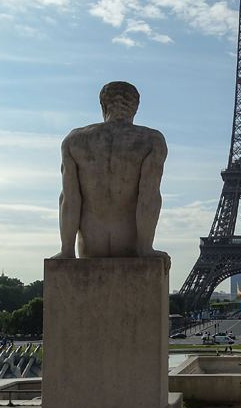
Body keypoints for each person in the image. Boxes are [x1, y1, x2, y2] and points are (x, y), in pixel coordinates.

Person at [53, 81, 170, 269]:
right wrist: (146, 248)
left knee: (66, 194)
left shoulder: (74, 140)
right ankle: (146, 245)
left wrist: (66, 250)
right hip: (130, 244)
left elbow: (69, 200)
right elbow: (148, 198)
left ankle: (66, 248)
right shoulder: (151, 141)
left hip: (91, 245)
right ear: (136, 107)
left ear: (103, 105)